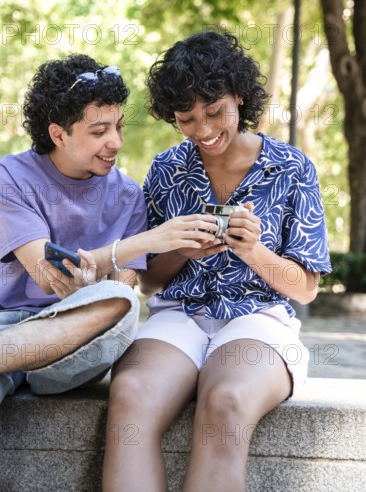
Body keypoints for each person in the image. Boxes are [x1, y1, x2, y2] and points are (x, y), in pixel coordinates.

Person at [103, 32, 332, 491]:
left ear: (239, 97)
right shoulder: (168, 169)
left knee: (225, 399)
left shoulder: (291, 168)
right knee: (128, 394)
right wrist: (180, 250)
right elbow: (149, 282)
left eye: (215, 112)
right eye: (187, 119)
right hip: (180, 316)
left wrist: (254, 251)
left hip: (260, 318)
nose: (204, 130)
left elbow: (306, 287)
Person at [0, 53, 219, 405]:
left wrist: (87, 291)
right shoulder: (10, 177)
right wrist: (147, 241)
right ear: (58, 134)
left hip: (74, 344)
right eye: (99, 131)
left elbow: (122, 294)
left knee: (121, 305)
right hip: (8, 326)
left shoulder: (128, 194)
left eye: (118, 126)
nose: (116, 142)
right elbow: (47, 274)